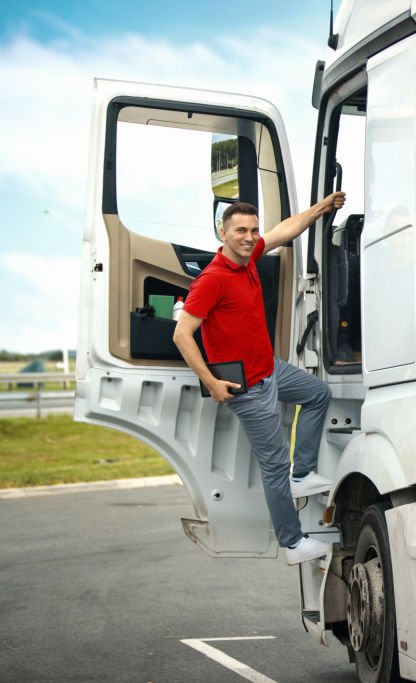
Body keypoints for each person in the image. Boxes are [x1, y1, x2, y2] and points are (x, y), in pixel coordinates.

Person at [173, 192, 346, 565]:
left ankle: (303, 473)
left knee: (316, 394)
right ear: (223, 233)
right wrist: (212, 382)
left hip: (270, 369)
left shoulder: (249, 257)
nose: (249, 236)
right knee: (273, 465)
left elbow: (284, 231)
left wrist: (322, 208)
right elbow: (182, 334)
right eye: (240, 230)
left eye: (252, 229)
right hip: (248, 390)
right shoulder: (212, 280)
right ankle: (292, 541)